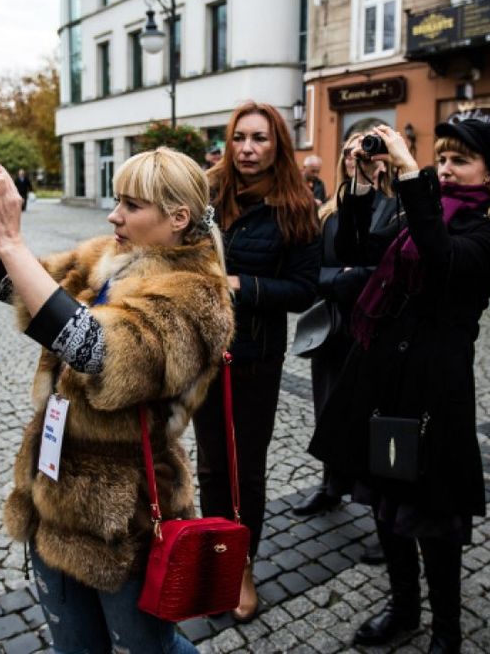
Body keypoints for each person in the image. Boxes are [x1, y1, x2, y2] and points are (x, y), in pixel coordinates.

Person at [0, 147, 233, 653]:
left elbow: (96, 349)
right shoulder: (108, 257)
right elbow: (13, 283)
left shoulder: (200, 298)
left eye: (131, 205)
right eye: (117, 202)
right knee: (74, 647)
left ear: (177, 218)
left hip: (126, 517)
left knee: (147, 648)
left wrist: (12, 239)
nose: (114, 215)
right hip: (53, 492)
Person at [310, 119, 490, 652]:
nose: (446, 167)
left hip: (434, 388)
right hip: (382, 375)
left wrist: (410, 174)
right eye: (443, 158)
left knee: (433, 515)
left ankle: (447, 631)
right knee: (385, 496)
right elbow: (358, 246)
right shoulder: (417, 209)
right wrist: (360, 183)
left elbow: (444, 261)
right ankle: (403, 608)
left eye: (461, 160)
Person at [196, 101, 320, 622]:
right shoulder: (206, 193)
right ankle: (215, 560)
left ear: (278, 146)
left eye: (261, 139)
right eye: (240, 137)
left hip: (254, 359)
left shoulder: (296, 207)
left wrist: (243, 285)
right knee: (208, 466)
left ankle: (243, 565)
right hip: (203, 351)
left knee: (245, 469)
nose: (248, 149)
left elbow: (304, 289)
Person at [293, 133, 400, 518]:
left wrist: (357, 275)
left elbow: (396, 269)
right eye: (350, 153)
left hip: (379, 333)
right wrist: (344, 278)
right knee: (328, 412)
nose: (358, 158)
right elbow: (308, 271)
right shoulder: (327, 212)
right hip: (334, 329)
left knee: (374, 420)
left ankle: (380, 509)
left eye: (367, 151)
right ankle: (331, 486)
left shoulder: (399, 208)